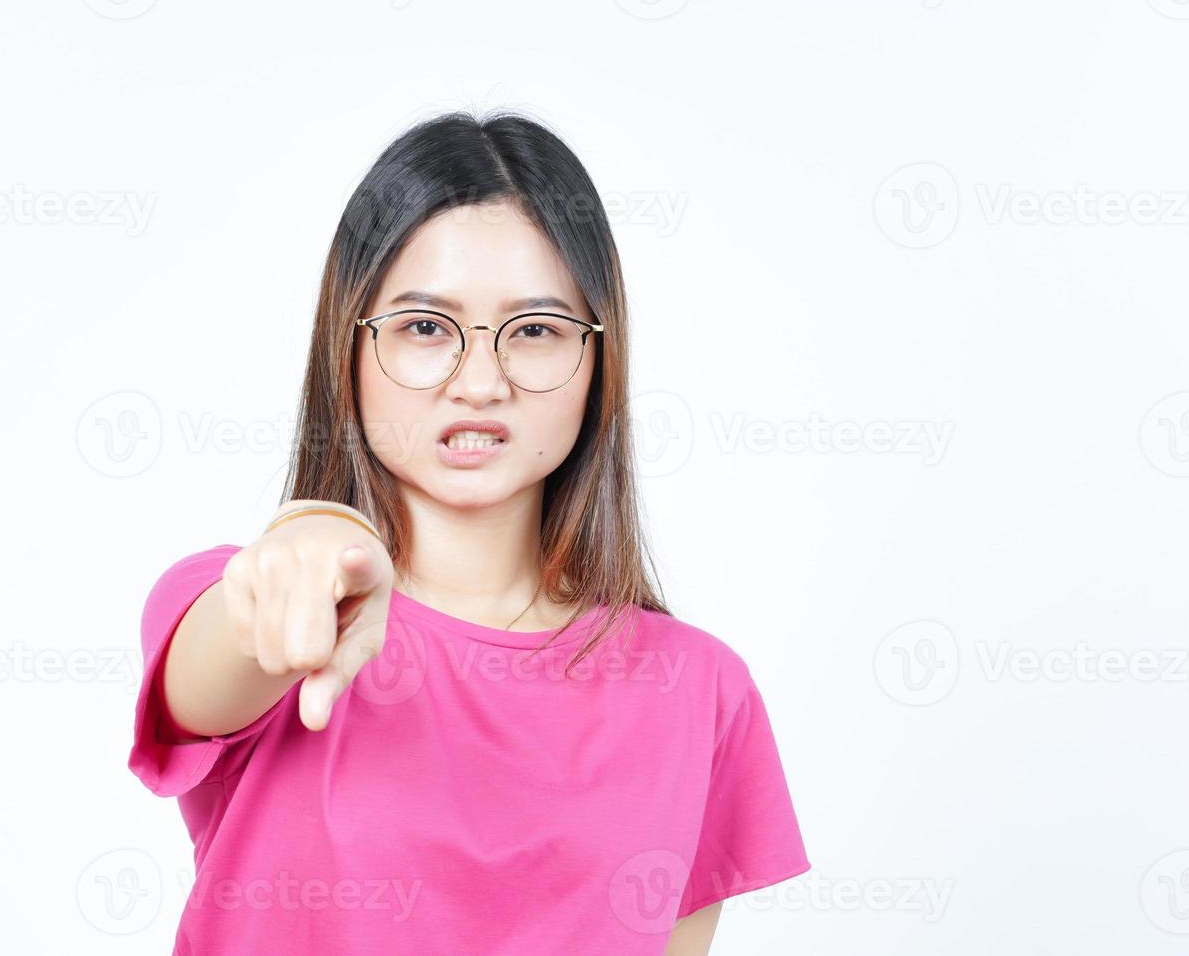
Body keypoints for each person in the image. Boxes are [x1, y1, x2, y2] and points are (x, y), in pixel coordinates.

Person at [128, 109, 810, 955]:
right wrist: (312, 542)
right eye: (423, 327)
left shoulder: (701, 692)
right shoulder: (263, 607)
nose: (479, 382)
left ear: (599, 359)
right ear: (348, 347)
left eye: (534, 331)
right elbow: (236, 642)